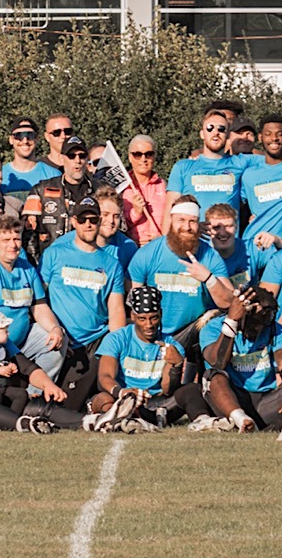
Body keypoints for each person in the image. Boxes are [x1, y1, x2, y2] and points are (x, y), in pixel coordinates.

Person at [39, 196, 128, 402]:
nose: (88, 224)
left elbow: (116, 312)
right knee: (61, 401)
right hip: (61, 340)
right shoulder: (53, 254)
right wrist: (53, 331)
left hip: (95, 342)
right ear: (73, 222)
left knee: (79, 399)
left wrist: (116, 348)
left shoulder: (112, 264)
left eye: (93, 219)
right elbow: (39, 300)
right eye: (82, 219)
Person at [0, 213, 66, 384]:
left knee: (54, 337)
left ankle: (37, 396)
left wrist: (54, 328)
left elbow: (39, 307)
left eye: (16, 239)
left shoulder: (26, 268)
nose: (12, 245)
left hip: (22, 341)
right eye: (5, 240)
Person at [127, 200, 237, 350]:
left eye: (193, 221)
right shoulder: (147, 254)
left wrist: (209, 279)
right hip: (153, 334)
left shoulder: (210, 256)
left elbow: (230, 303)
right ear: (171, 220)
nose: (187, 227)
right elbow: (133, 302)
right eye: (181, 220)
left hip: (192, 334)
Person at [197, 287, 282, 433]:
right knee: (212, 376)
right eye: (254, 324)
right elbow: (218, 362)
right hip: (232, 399)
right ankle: (241, 420)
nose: (258, 330)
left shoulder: (275, 328)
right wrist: (232, 321)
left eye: (262, 324)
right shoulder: (213, 328)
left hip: (265, 400)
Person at [92, 286, 193, 433]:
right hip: (122, 397)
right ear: (132, 316)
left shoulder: (172, 346)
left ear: (161, 315)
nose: (149, 325)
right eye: (142, 319)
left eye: (154, 318)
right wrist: (123, 393)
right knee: (102, 398)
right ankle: (118, 416)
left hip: (153, 402)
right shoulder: (117, 338)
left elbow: (167, 389)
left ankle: (203, 420)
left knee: (192, 391)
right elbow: (105, 376)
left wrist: (176, 364)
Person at [238, 130, 282, 278]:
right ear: (261, 137)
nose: (274, 138)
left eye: (279, 134)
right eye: (268, 134)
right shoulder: (247, 171)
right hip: (256, 246)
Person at [22, 135, 97, 258]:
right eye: (71, 156)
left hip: (87, 261)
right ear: (62, 159)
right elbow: (28, 236)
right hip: (51, 263)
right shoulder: (40, 190)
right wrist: (38, 266)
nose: (77, 161)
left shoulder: (100, 190)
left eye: (82, 156)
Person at [167, 109, 248, 221]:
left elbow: (273, 163)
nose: (215, 133)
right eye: (210, 128)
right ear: (202, 134)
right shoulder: (182, 167)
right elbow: (169, 212)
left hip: (227, 237)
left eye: (221, 129)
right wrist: (166, 238)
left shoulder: (240, 163)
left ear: (228, 135)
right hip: (193, 237)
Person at [118, 135, 169, 244]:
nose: (143, 159)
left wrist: (162, 238)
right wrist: (135, 212)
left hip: (159, 247)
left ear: (154, 157)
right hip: (132, 249)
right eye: (137, 154)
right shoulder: (122, 188)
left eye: (149, 154)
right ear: (130, 157)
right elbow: (115, 224)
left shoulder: (164, 186)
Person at [1, 118, 61, 197]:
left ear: (37, 139)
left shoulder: (53, 175)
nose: (25, 141)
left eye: (30, 135)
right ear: (11, 140)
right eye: (19, 136)